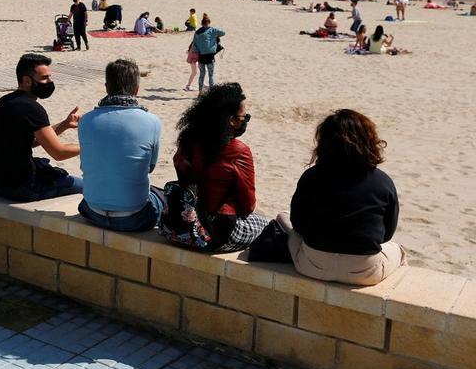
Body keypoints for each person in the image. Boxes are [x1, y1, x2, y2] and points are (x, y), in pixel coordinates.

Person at [277, 109, 406, 285]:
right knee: (398, 250)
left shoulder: (311, 177)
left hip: (313, 265)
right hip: (364, 271)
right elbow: (386, 234)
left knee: (282, 217)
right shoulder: (382, 181)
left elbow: (298, 223)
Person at [171, 83, 271, 252]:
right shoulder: (239, 151)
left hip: (187, 223)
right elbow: (248, 205)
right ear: (231, 121)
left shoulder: (188, 142)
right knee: (268, 224)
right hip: (218, 230)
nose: (245, 121)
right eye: (244, 118)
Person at [78, 59, 163, 231]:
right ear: (136, 89)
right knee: (161, 197)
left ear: (106, 87)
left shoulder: (85, 120)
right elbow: (150, 167)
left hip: (92, 211)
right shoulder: (151, 122)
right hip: (135, 217)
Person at [0, 54, 82, 202]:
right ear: (26, 80)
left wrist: (65, 124)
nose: (50, 82)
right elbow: (59, 153)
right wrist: (94, 146)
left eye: (50, 77)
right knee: (86, 186)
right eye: (44, 78)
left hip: (0, 183)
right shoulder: (32, 108)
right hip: (24, 187)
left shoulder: (5, 101)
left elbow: (30, 141)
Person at [191, 14, 225, 93]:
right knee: (211, 75)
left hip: (201, 56)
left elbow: (194, 45)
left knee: (202, 75)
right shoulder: (212, 29)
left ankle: (200, 92)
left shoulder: (197, 32)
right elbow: (223, 33)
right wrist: (216, 35)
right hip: (210, 56)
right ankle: (211, 93)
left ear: (201, 23)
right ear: (209, 22)